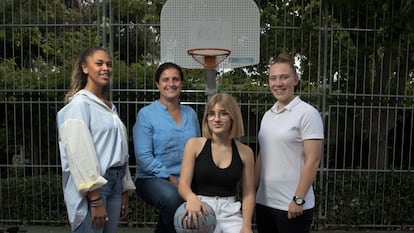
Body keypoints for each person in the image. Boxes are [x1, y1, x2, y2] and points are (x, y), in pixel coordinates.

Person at [56, 46, 136, 233]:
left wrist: (124, 188)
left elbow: (119, 150)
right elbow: (79, 155)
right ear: (85, 68)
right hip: (94, 189)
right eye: (99, 63)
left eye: (108, 64)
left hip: (115, 183)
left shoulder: (109, 107)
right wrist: (95, 198)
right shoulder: (79, 105)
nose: (105, 68)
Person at [254, 52, 324, 233]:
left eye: (284, 77)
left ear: (295, 80)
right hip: (264, 203)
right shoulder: (268, 115)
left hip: (292, 206)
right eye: (273, 78)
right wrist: (251, 191)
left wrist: (298, 199)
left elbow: (313, 160)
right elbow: (263, 156)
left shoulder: (307, 113)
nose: (278, 83)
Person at [133, 62, 201, 233]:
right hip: (153, 178)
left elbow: (199, 148)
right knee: (173, 197)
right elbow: (143, 157)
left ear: (181, 84)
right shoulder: (146, 114)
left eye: (175, 79)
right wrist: (172, 179)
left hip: (186, 178)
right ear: (157, 85)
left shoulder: (191, 114)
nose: (171, 84)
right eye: (165, 80)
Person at [178, 93, 255, 233]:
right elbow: (183, 184)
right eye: (211, 114)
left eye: (223, 114)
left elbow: (248, 194)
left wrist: (247, 225)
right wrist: (191, 198)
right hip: (200, 209)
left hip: (230, 212)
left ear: (233, 117)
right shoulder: (194, 145)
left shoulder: (246, 152)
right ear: (207, 118)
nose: (217, 119)